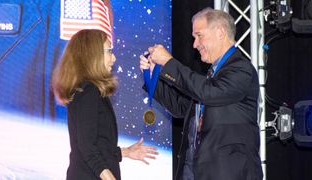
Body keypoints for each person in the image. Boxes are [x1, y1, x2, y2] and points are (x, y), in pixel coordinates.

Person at [140, 7, 263, 180]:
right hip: (196, 171)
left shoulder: (241, 69)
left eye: (199, 36)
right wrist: (154, 77)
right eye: (193, 37)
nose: (195, 44)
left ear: (220, 32)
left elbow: (208, 93)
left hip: (229, 174)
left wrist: (169, 62)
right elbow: (180, 108)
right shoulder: (212, 76)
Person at [52, 29, 158, 180]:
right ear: (91, 55)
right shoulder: (89, 91)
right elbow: (87, 148)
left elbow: (95, 145)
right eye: (109, 51)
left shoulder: (87, 90)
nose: (114, 58)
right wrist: (109, 177)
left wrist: (125, 152)